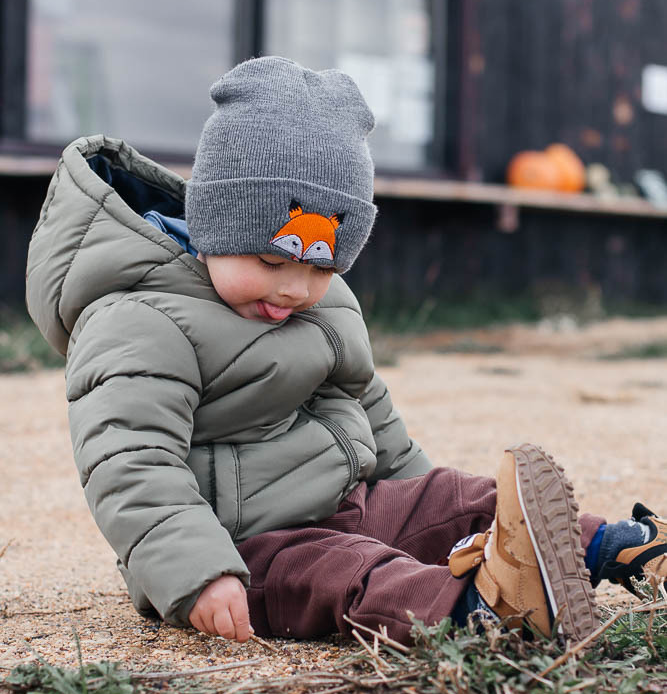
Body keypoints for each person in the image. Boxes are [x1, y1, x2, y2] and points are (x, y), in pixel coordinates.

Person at [25, 56, 667, 648]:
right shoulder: (141, 318)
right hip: (246, 548)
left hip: (345, 503)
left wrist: (424, 502)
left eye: (320, 267)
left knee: (456, 498)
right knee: (353, 572)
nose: (292, 288)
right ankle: (475, 610)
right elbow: (131, 462)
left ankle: (612, 547)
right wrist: (197, 573)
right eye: (270, 260)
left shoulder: (322, 304)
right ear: (215, 225)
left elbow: (368, 407)